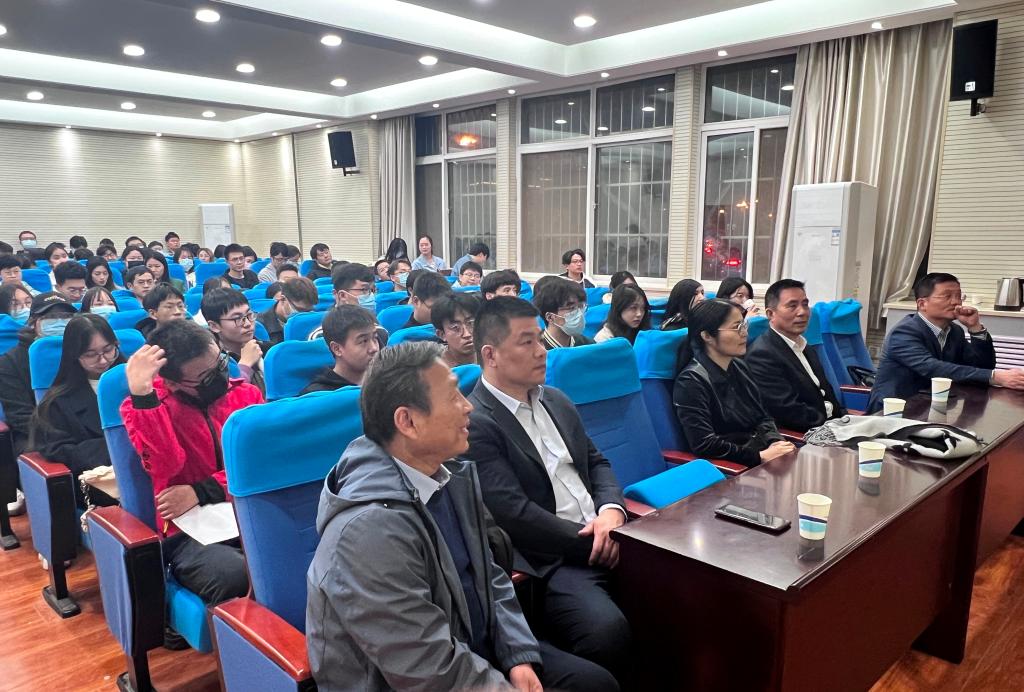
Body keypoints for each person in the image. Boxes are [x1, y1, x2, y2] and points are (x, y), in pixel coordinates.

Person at [307, 341, 614, 692]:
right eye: (453, 397)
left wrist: (517, 654)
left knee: (596, 683)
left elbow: (490, 574)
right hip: (413, 681)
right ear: (407, 421)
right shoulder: (367, 532)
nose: (468, 406)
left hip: (473, 648)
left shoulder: (447, 475)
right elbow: (424, 665)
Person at [466, 297, 629, 684]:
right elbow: (515, 515)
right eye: (527, 342)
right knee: (606, 632)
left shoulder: (556, 399)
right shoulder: (476, 422)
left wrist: (612, 512)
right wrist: (594, 542)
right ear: (490, 355)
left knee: (688, 589)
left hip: (606, 532)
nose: (542, 351)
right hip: (552, 558)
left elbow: (597, 463)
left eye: (540, 339)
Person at [122, 321, 260, 608]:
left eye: (220, 363)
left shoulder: (246, 395)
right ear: (172, 383)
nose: (220, 376)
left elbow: (259, 465)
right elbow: (167, 466)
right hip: (188, 532)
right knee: (234, 574)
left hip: (247, 510)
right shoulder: (146, 408)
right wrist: (144, 398)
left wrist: (202, 491)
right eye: (206, 377)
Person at [868, 272, 1024, 411]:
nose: (956, 302)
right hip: (895, 409)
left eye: (959, 296)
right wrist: (995, 376)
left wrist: (975, 328)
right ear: (922, 304)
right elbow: (933, 368)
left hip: (931, 406)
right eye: (947, 296)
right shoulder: (904, 332)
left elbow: (982, 367)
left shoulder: (954, 331)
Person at [673, 299, 795, 467]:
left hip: (760, 454)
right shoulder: (691, 381)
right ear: (707, 336)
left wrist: (775, 442)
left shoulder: (738, 365)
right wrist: (758, 456)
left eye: (744, 325)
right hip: (734, 466)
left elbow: (762, 415)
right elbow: (704, 443)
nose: (744, 333)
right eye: (736, 327)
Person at [29, 314, 124, 508]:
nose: (103, 360)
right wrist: (115, 445)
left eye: (108, 350)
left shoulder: (135, 382)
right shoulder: (57, 403)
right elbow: (60, 451)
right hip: (100, 484)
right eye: (90, 354)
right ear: (74, 356)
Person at [744, 279, 846, 432]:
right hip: (805, 435)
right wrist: (832, 426)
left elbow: (828, 394)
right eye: (792, 306)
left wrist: (846, 421)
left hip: (833, 427)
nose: (802, 312)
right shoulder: (761, 355)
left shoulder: (807, 348)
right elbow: (788, 412)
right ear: (771, 314)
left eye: (805, 304)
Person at [0, 292, 77, 458]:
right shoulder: (9, 362)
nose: (59, 322)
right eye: (50, 317)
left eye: (66, 317)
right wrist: (64, 435)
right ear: (33, 323)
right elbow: (20, 416)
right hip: (36, 435)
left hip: (82, 428)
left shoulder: (84, 351)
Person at [300, 304, 380, 394]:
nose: (374, 348)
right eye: (363, 341)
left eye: (375, 338)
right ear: (337, 349)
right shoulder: (319, 396)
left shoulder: (384, 381)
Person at [202, 288, 270, 392]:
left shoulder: (269, 350)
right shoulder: (212, 365)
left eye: (249, 315)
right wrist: (245, 365)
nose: (248, 324)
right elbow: (228, 399)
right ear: (214, 326)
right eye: (237, 319)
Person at [532, 276, 592, 350]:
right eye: (571, 308)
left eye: (581, 306)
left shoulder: (588, 346)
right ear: (550, 317)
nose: (579, 313)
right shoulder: (534, 350)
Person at [256, 276, 317, 345]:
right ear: (283, 299)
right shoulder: (261, 326)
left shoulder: (314, 318)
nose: (304, 314)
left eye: (309, 311)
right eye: (299, 309)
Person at [432, 293, 479, 368]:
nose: (467, 334)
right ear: (441, 334)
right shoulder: (435, 368)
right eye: (455, 327)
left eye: (471, 323)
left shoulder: (492, 355)